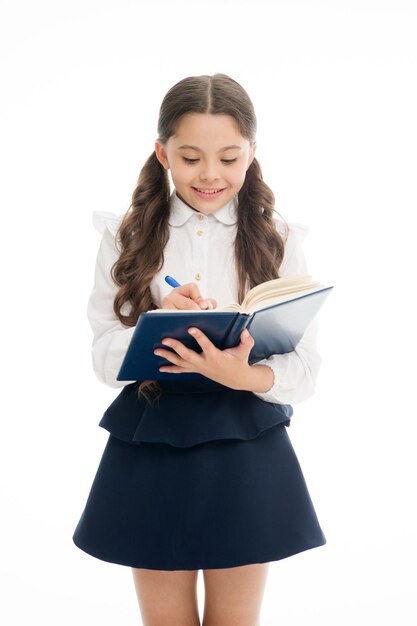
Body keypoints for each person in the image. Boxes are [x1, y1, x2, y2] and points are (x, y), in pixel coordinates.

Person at [72, 73, 327, 626]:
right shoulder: (127, 235)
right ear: (162, 153)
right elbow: (102, 358)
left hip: (246, 438)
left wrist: (244, 376)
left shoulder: (280, 238)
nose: (210, 174)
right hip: (153, 434)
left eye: (229, 158)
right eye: (190, 158)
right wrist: (157, 325)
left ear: (252, 155)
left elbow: (305, 369)